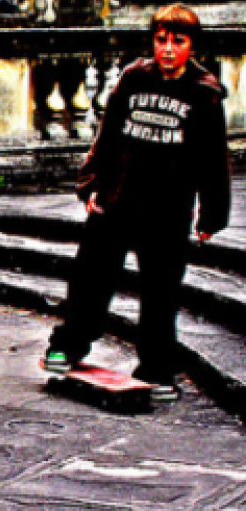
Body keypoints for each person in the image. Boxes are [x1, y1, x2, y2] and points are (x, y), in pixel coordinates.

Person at [43, 3, 230, 402]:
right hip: (118, 196)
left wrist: (213, 212)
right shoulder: (133, 77)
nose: (167, 49)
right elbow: (107, 135)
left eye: (177, 41)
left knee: (161, 289)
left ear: (191, 46)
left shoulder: (204, 92)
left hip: (168, 206)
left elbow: (213, 157)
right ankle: (68, 345)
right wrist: (91, 183)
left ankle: (158, 369)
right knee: (91, 276)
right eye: (161, 40)